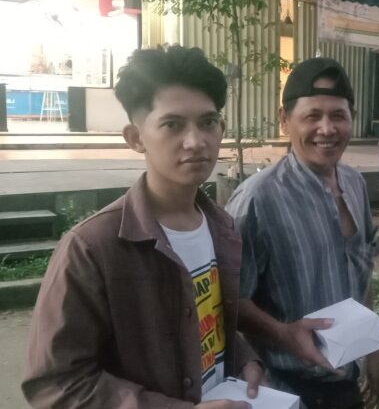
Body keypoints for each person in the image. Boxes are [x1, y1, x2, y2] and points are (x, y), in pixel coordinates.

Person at [22, 45, 264, 409]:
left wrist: (244, 358)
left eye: (208, 122)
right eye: (172, 125)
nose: (196, 141)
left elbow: (208, 323)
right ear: (136, 138)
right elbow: (57, 383)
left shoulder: (220, 226)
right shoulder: (92, 248)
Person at [227, 57, 379, 409]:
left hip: (346, 384)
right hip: (285, 390)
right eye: (312, 116)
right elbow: (229, 302)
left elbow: (362, 274)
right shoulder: (258, 200)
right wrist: (284, 334)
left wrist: (372, 354)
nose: (326, 129)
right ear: (285, 120)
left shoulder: (355, 184)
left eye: (338, 116)